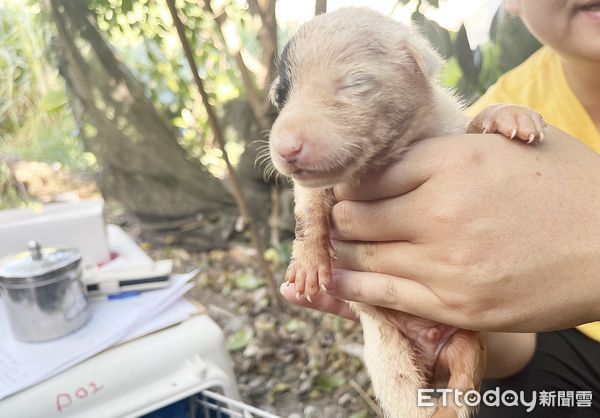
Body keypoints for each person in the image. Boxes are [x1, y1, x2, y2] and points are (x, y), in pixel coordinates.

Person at [280, 0, 600, 416]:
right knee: (504, 402)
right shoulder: (507, 100)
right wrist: (442, 320)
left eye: (354, 85)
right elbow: (518, 341)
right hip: (566, 341)